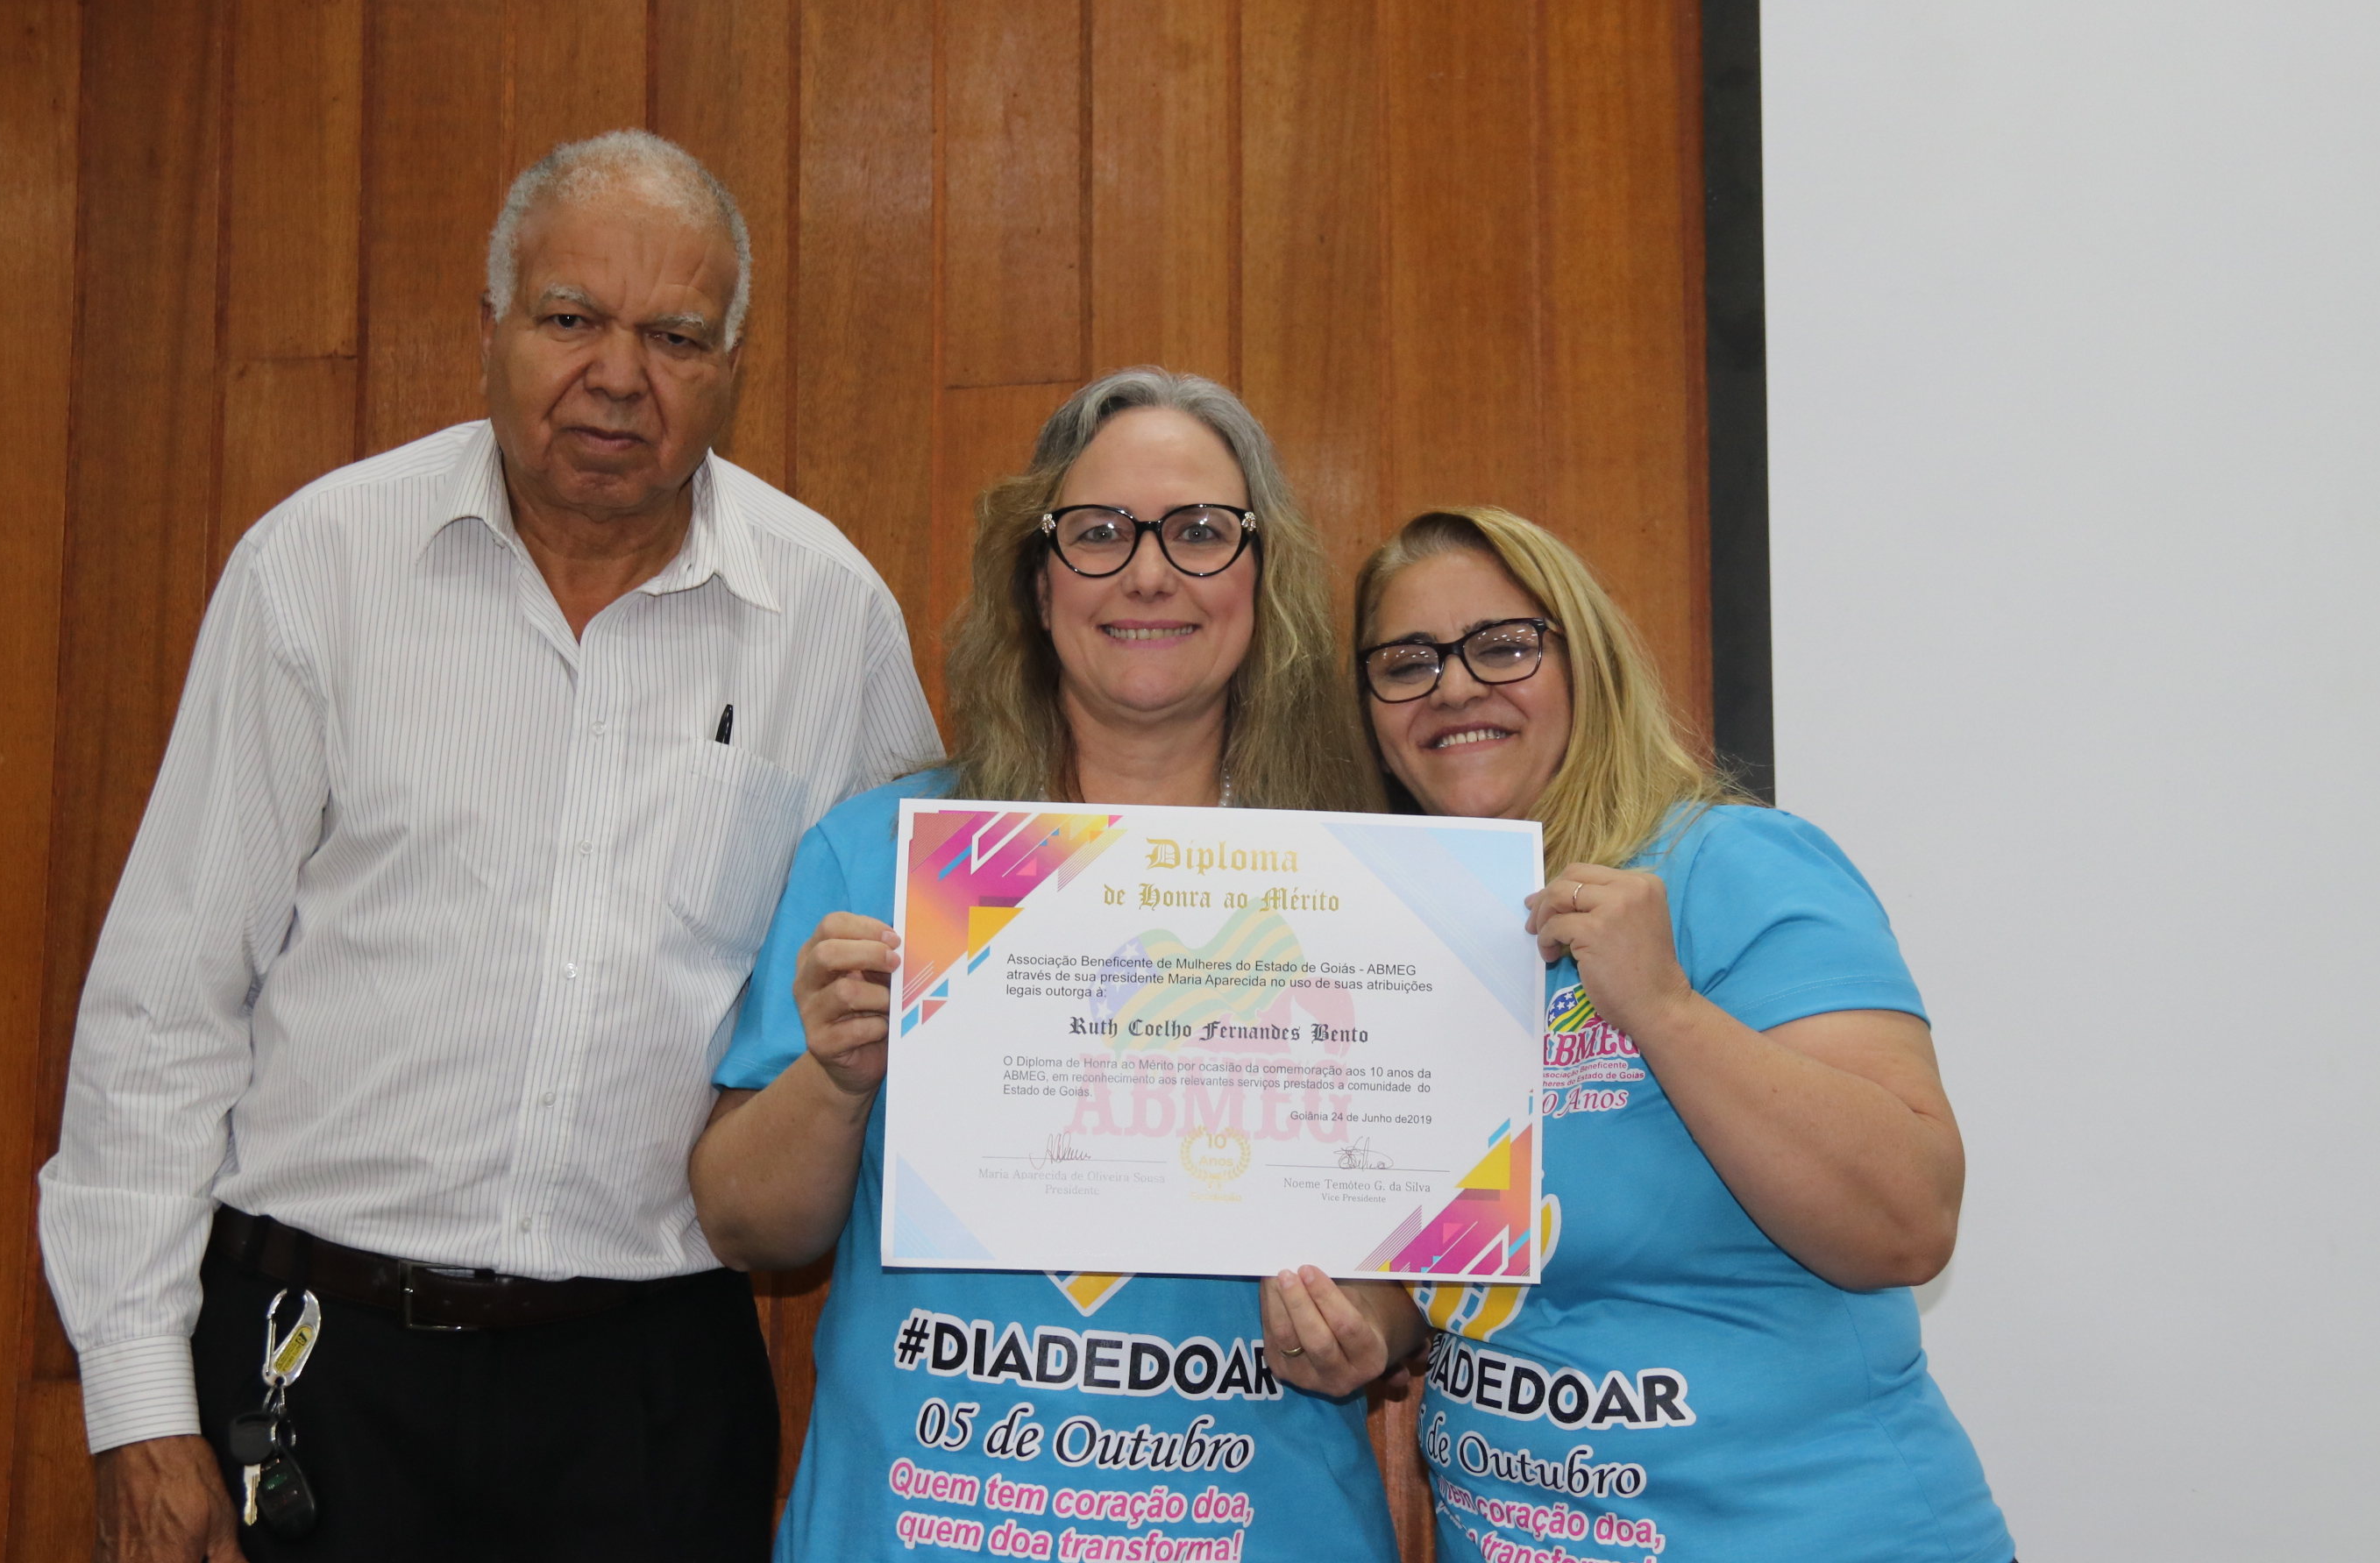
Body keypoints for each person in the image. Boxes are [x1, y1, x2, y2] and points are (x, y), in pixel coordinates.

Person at [38, 131, 940, 1563]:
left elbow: (922, 999)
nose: (618, 375)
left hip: (648, 1391)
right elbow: (166, 1004)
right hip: (313, 1363)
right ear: (491, 327)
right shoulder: (319, 566)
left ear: (733, 365)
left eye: (675, 336)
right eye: (571, 318)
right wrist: (139, 1403)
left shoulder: (831, 617)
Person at [689, 369, 1403, 1562]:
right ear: (1037, 578)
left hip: (1245, 1527)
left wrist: (1370, 1326)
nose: (1149, 573)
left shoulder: (1362, 884)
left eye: (1201, 531)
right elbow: (745, 1222)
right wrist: (838, 1077)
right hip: (926, 1521)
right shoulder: (882, 856)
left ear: (1261, 576)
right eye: (1099, 531)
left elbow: (1422, 1257)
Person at [1260, 507, 2014, 1563]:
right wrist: (1363, 1329)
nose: (1455, 687)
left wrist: (1665, 1009)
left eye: (1503, 645)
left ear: (1587, 661)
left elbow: (1909, 1222)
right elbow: (1460, 1275)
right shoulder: (1398, 945)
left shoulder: (1734, 865)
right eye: (1406, 662)